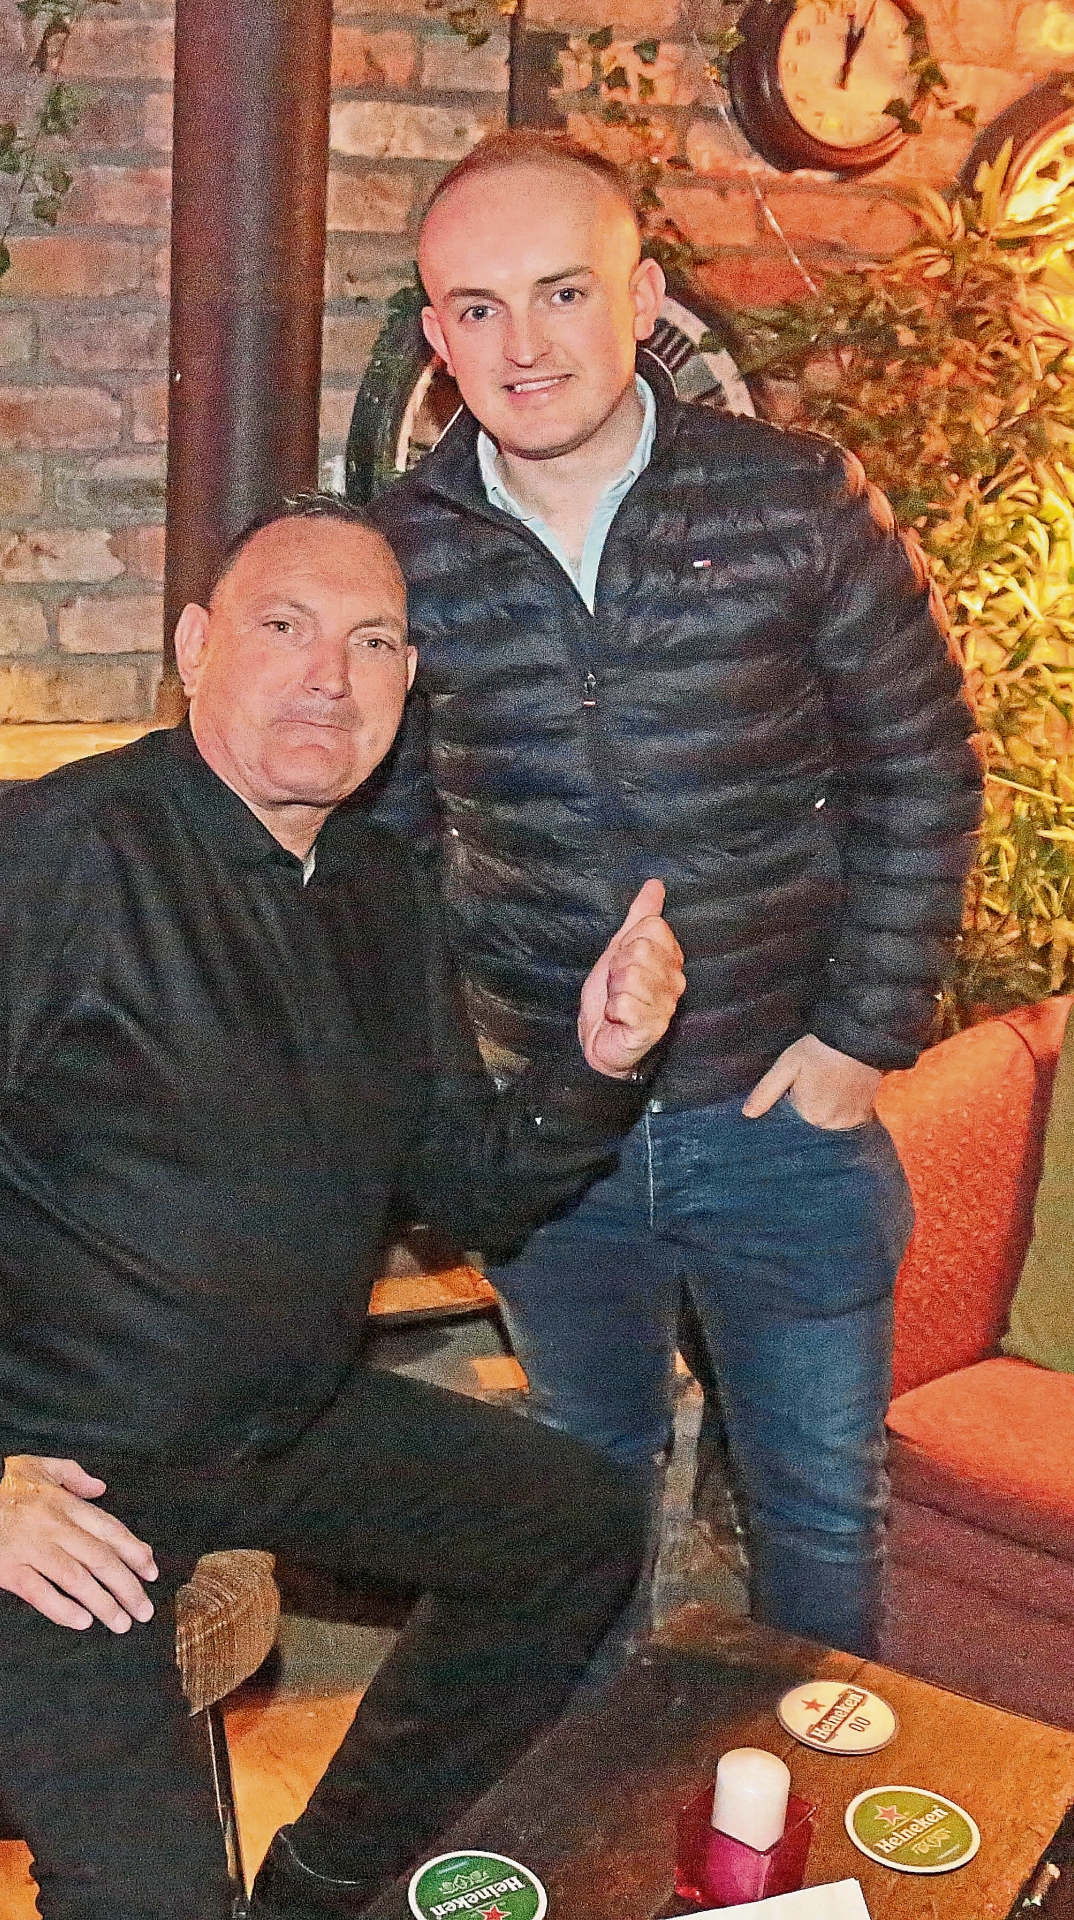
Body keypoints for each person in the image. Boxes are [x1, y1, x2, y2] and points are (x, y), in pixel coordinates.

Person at [0, 497, 686, 1920]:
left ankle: (322, 1884)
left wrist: (598, 1065)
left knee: (578, 1525)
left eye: (371, 642)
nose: (328, 674)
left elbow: (465, 1183)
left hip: (275, 1424)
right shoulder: (69, 855)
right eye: (284, 628)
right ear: (194, 649)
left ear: (405, 683)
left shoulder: (375, 883)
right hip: (48, 1464)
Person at [367, 130, 984, 1661]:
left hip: (783, 1116)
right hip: (550, 1140)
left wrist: (857, 1040)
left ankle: (804, 1860)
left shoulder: (791, 500)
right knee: (583, 1500)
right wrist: (455, 1099)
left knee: (820, 1509)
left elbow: (924, 766)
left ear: (639, 298)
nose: (523, 343)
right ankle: (588, 1841)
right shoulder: (400, 555)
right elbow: (378, 860)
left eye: (560, 291)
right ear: (437, 340)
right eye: (479, 308)